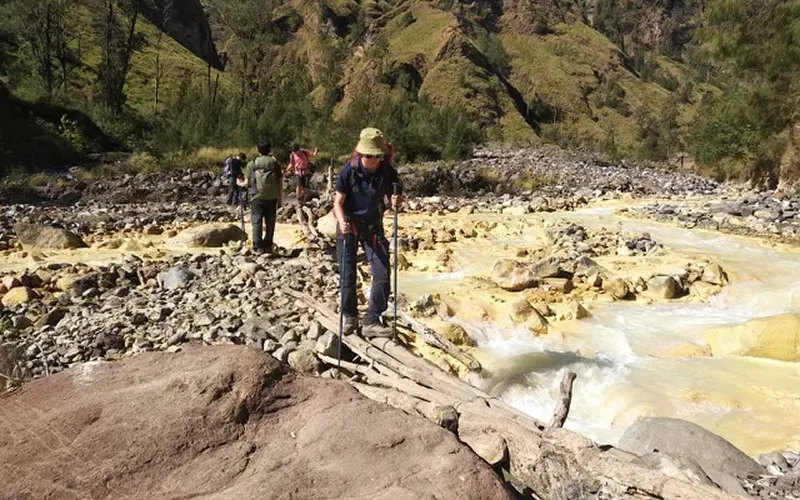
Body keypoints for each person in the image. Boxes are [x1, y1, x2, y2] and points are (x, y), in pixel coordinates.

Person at [333, 127, 403, 338]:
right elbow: (337, 202)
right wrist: (341, 220)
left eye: (375, 155)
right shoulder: (349, 171)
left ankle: (372, 318)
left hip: (373, 227)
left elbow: (395, 198)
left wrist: (396, 201)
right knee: (347, 274)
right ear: (361, 154)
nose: (372, 159)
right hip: (349, 225)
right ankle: (349, 315)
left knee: (382, 273)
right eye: (368, 155)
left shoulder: (387, 171)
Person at [237, 142, 283, 253]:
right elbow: (280, 183)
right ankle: (268, 243)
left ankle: (257, 245)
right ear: (269, 149)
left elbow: (247, 183)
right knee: (270, 221)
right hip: (272, 197)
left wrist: (239, 183)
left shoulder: (252, 164)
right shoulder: (274, 163)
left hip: (256, 197)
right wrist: (280, 199)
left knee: (257, 221)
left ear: (258, 149)